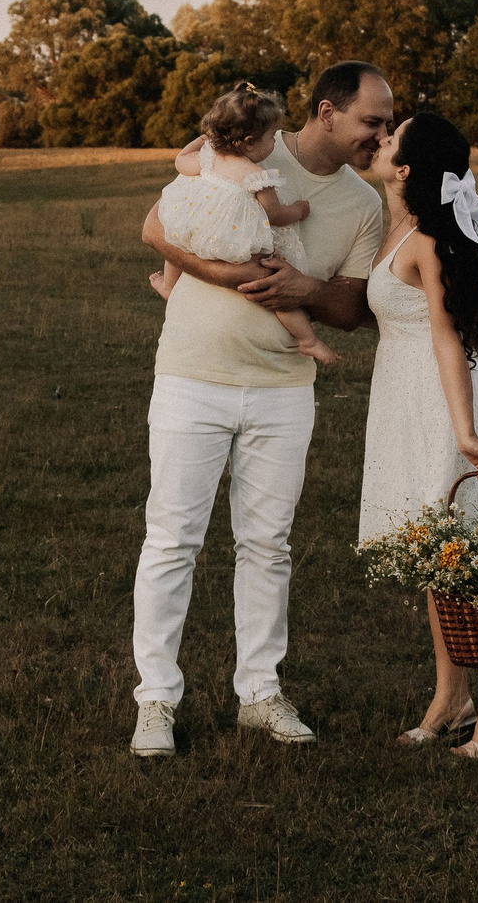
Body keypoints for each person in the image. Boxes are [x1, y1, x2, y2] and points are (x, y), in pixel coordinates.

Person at [126, 61, 394, 757]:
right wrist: (230, 275)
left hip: (282, 391)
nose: (382, 134)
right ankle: (156, 700)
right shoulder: (250, 143)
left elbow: (354, 307)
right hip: (194, 374)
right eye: (373, 120)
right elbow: (157, 225)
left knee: (268, 545)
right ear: (328, 113)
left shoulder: (365, 206)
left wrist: (303, 283)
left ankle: (260, 692)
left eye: (387, 124)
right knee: (172, 541)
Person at [358, 111, 478, 759]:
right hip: (405, 399)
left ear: (405, 169)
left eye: (391, 138)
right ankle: (449, 696)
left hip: (444, 399)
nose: (379, 140)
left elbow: (448, 336)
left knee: (468, 555)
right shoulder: (395, 224)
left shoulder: (428, 238)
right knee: (437, 554)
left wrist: (464, 430)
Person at [148, 84, 337, 367]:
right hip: (233, 241)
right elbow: (274, 214)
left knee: (178, 239)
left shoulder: (208, 160)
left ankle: (169, 285)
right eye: (271, 137)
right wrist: (298, 210)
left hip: (202, 230)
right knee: (268, 286)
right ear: (249, 142)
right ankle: (307, 339)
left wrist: (202, 140)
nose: (275, 143)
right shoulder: (256, 175)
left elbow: (180, 160)